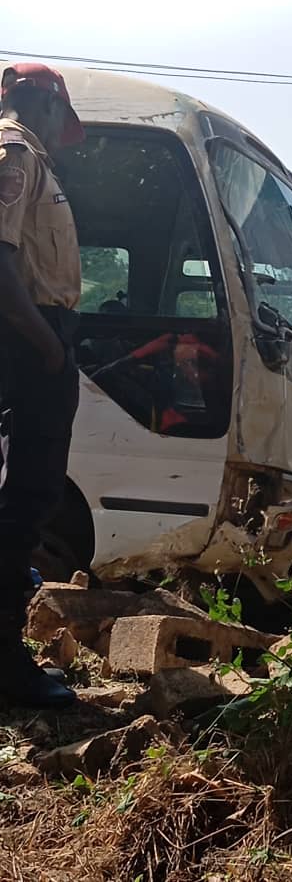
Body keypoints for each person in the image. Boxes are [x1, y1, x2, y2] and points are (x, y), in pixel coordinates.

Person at [0, 63, 85, 707]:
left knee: (28, 501)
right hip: (27, 343)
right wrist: (49, 347)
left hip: (34, 339)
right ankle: (7, 665)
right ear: (43, 104)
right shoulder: (15, 149)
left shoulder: (32, 157)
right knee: (27, 499)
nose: (62, 131)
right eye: (62, 115)